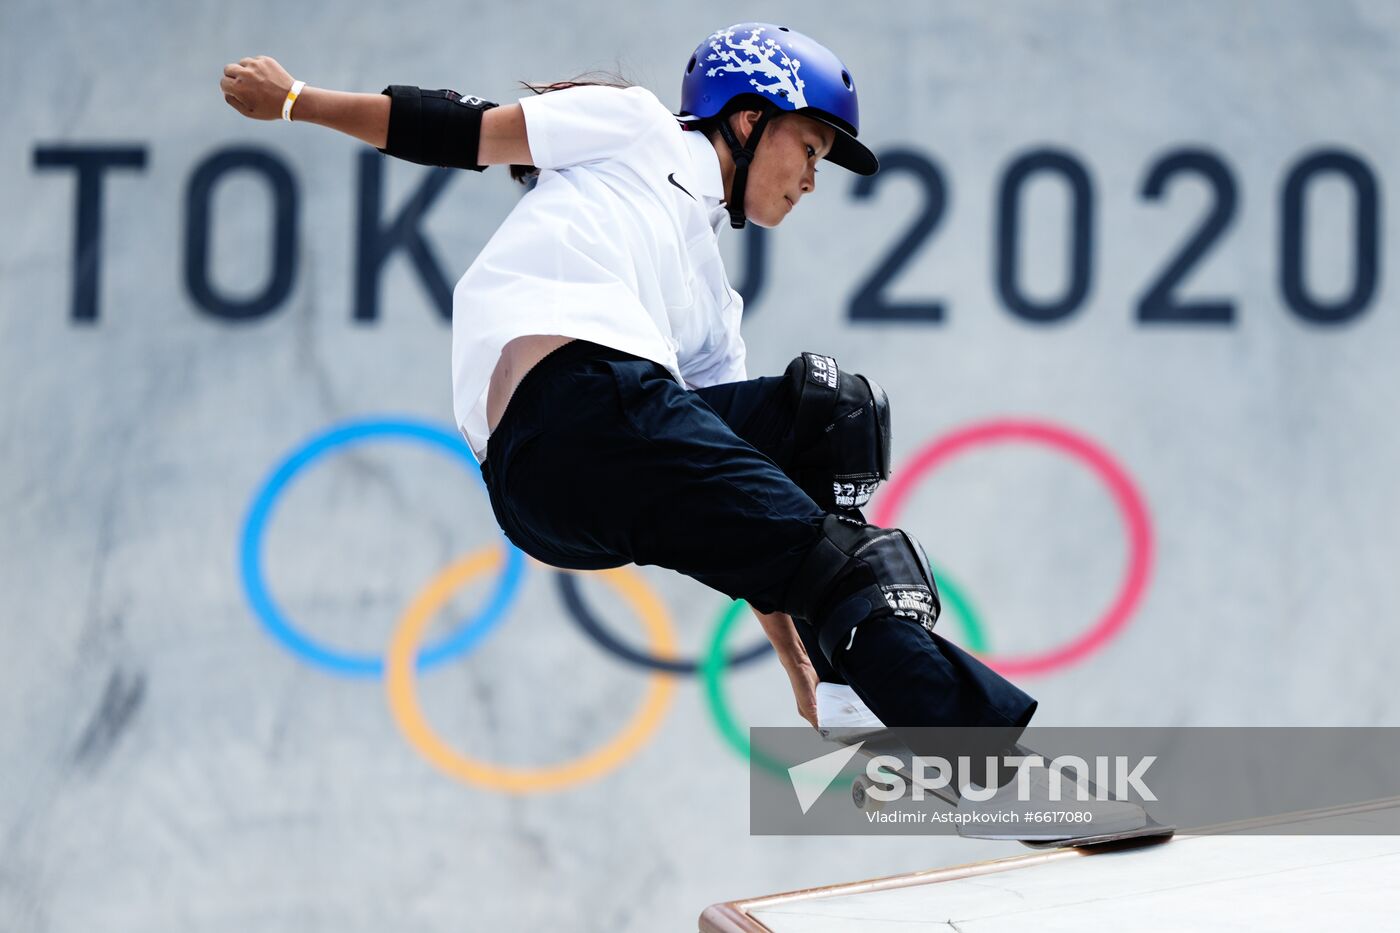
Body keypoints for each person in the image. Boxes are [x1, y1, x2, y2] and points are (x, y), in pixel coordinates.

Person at [218, 23, 1038, 737]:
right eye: (811, 149)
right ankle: (990, 757)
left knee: (829, 416)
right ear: (750, 119)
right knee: (851, 556)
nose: (812, 179)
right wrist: (297, 100)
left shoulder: (714, 310)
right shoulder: (638, 127)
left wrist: (798, 667)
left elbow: (757, 509)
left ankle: (856, 688)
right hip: (575, 403)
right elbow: (466, 132)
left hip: (582, 483)